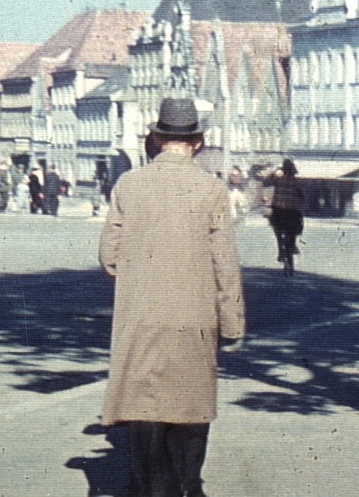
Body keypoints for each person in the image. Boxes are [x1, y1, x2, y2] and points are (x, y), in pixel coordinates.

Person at [100, 97, 245, 497]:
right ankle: (188, 485)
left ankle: (152, 487)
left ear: (157, 137)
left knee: (143, 406)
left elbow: (108, 257)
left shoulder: (128, 185)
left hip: (140, 319)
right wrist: (232, 324)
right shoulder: (212, 190)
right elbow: (225, 266)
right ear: (197, 142)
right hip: (194, 320)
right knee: (191, 406)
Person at [266, 159, 304, 276]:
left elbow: (266, 182)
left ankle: (280, 251)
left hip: (278, 210)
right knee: (294, 230)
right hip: (292, 212)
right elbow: (302, 195)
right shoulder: (296, 182)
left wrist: (274, 171)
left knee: (277, 230)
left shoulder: (279, 180)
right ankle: (292, 246)